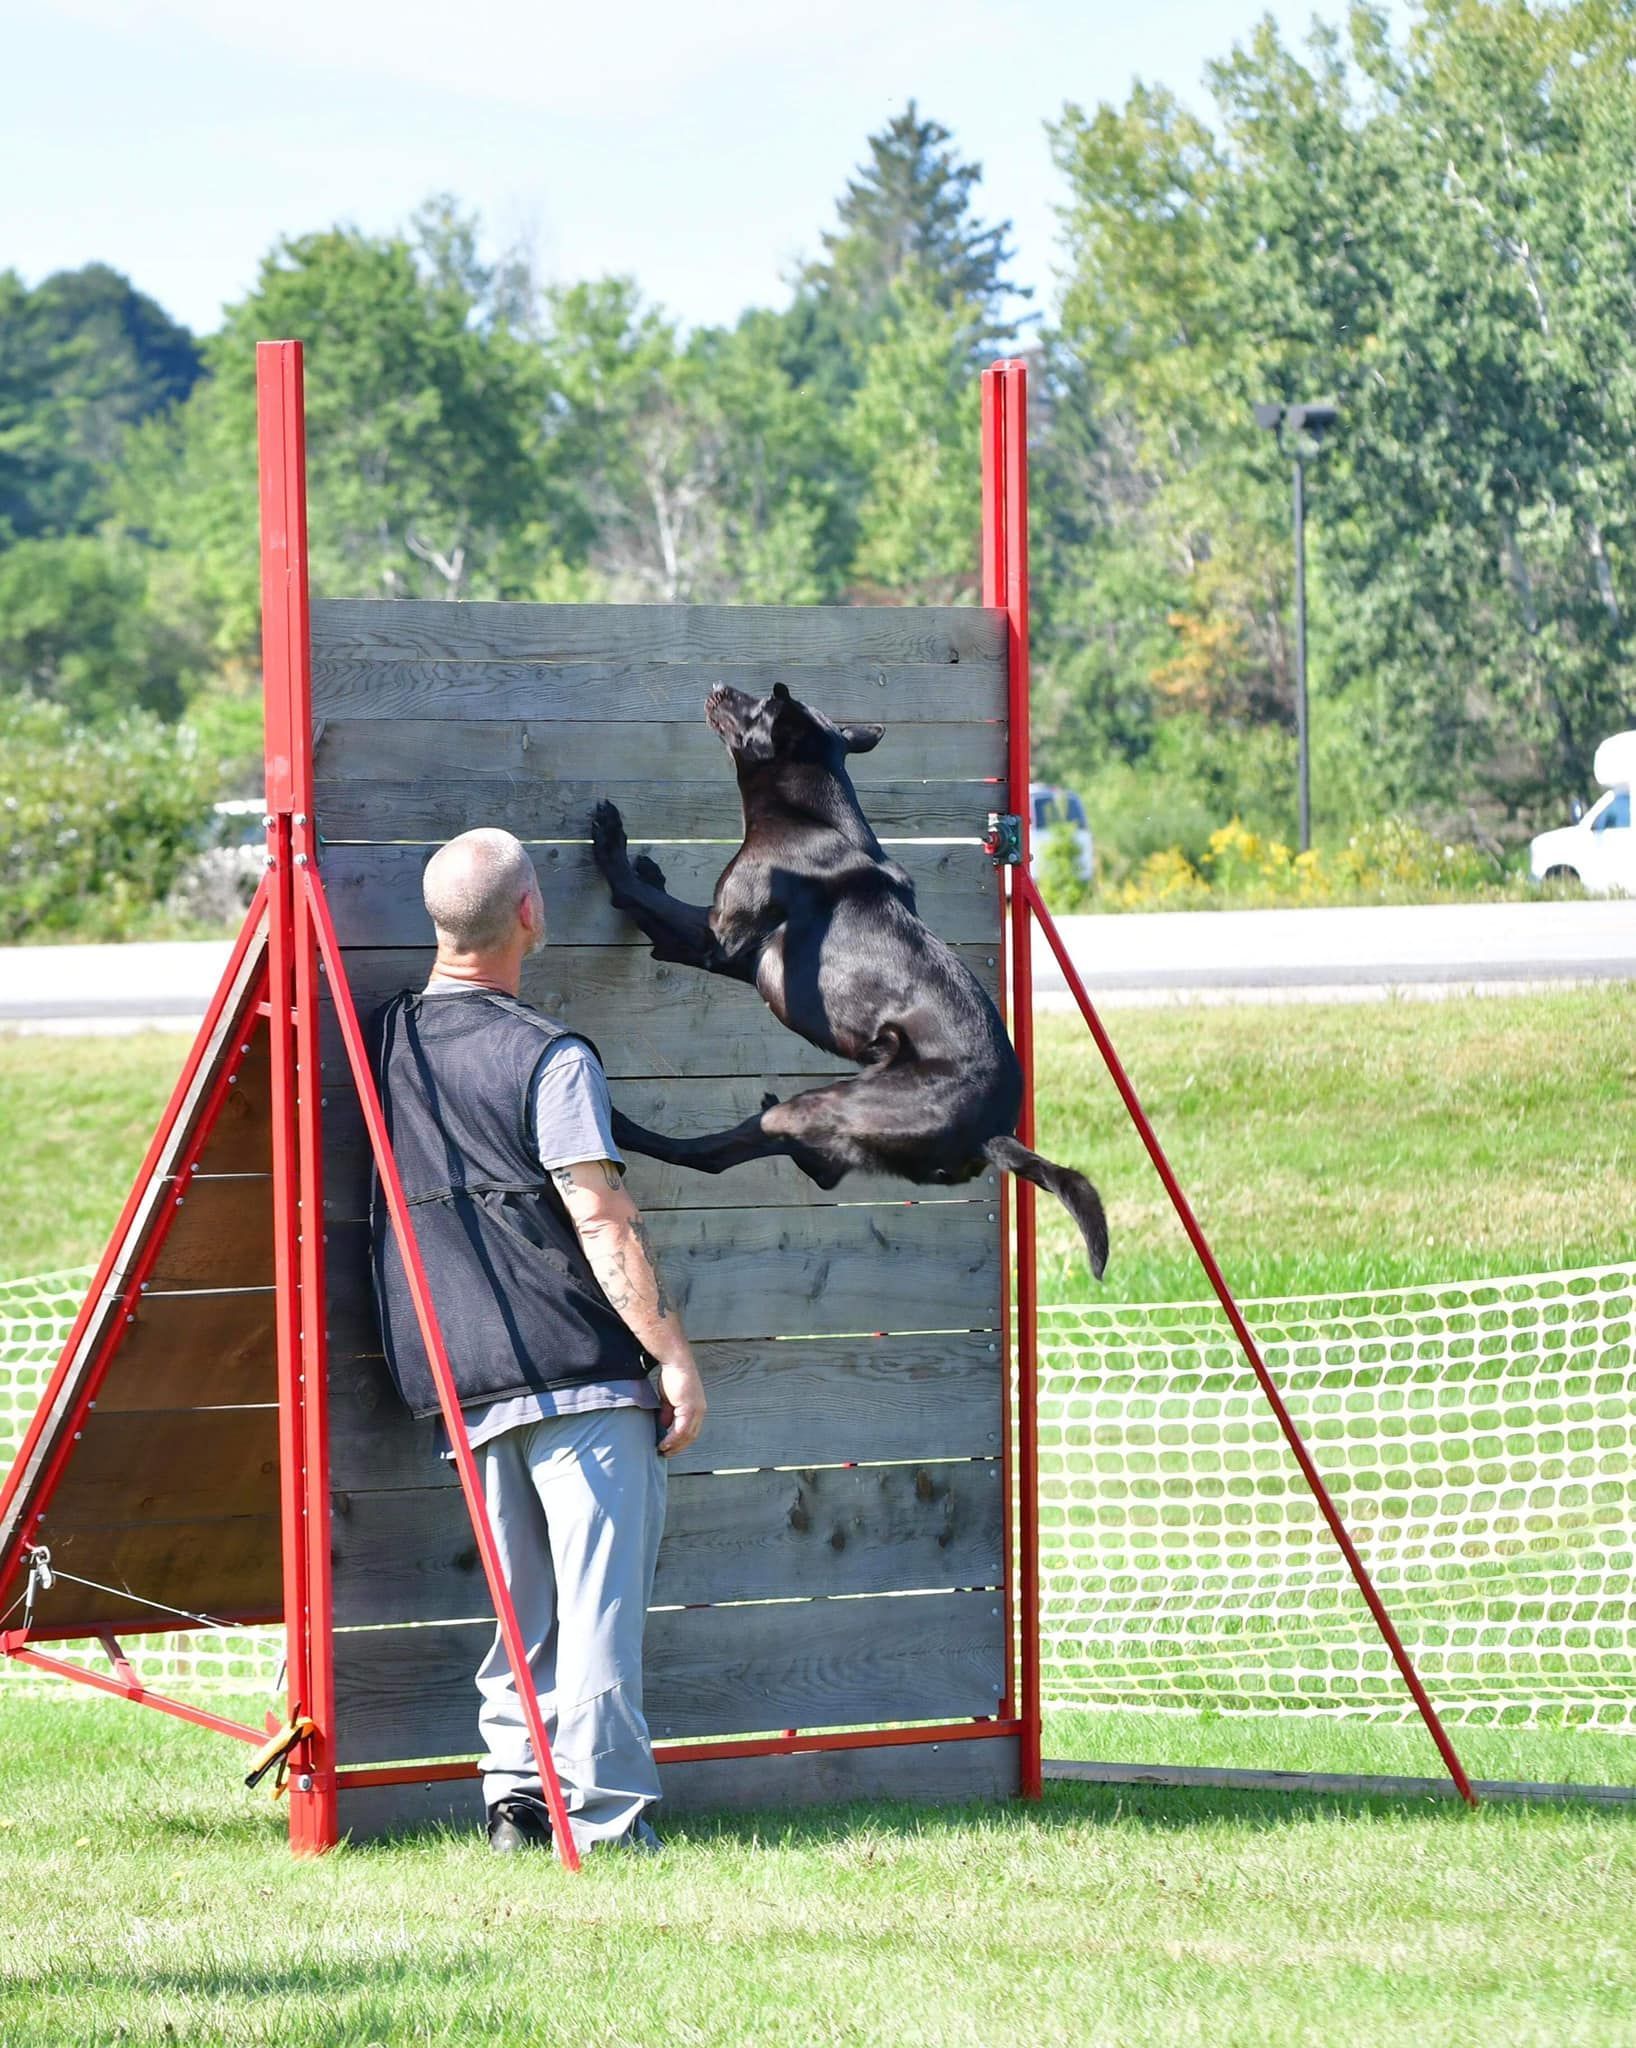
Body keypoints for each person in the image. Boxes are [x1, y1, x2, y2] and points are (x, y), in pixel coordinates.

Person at [368, 827, 706, 1857]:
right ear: (529, 914)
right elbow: (600, 1215)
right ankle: (605, 1822)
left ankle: (516, 1797)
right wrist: (672, 1353)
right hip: (575, 1369)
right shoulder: (548, 1054)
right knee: (597, 1614)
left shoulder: (389, 1039)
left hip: (456, 1370)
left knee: (520, 1607)